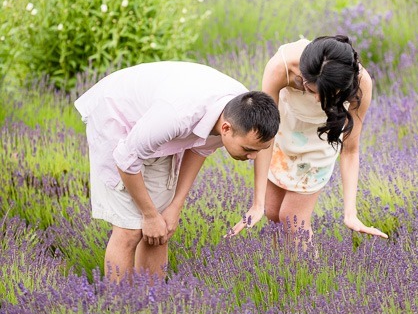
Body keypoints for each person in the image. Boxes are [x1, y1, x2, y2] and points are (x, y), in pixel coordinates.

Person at [75, 61, 280, 282]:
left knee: (160, 229)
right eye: (248, 150)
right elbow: (125, 159)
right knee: (130, 230)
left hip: (156, 127)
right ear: (226, 129)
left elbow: (200, 149)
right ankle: (118, 309)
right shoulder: (177, 116)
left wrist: (175, 206)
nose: (253, 157)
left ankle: (151, 303)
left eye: (260, 150)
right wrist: (149, 214)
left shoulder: (239, 113)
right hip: (118, 116)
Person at [230, 35, 388, 243]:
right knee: (272, 213)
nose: (316, 100)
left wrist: (350, 214)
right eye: (312, 90)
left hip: (320, 144)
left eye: (326, 95)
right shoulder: (281, 67)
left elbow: (350, 150)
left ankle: (306, 273)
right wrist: (257, 204)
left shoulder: (360, 83)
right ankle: (283, 272)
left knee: (293, 222)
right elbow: (266, 134)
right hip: (283, 135)